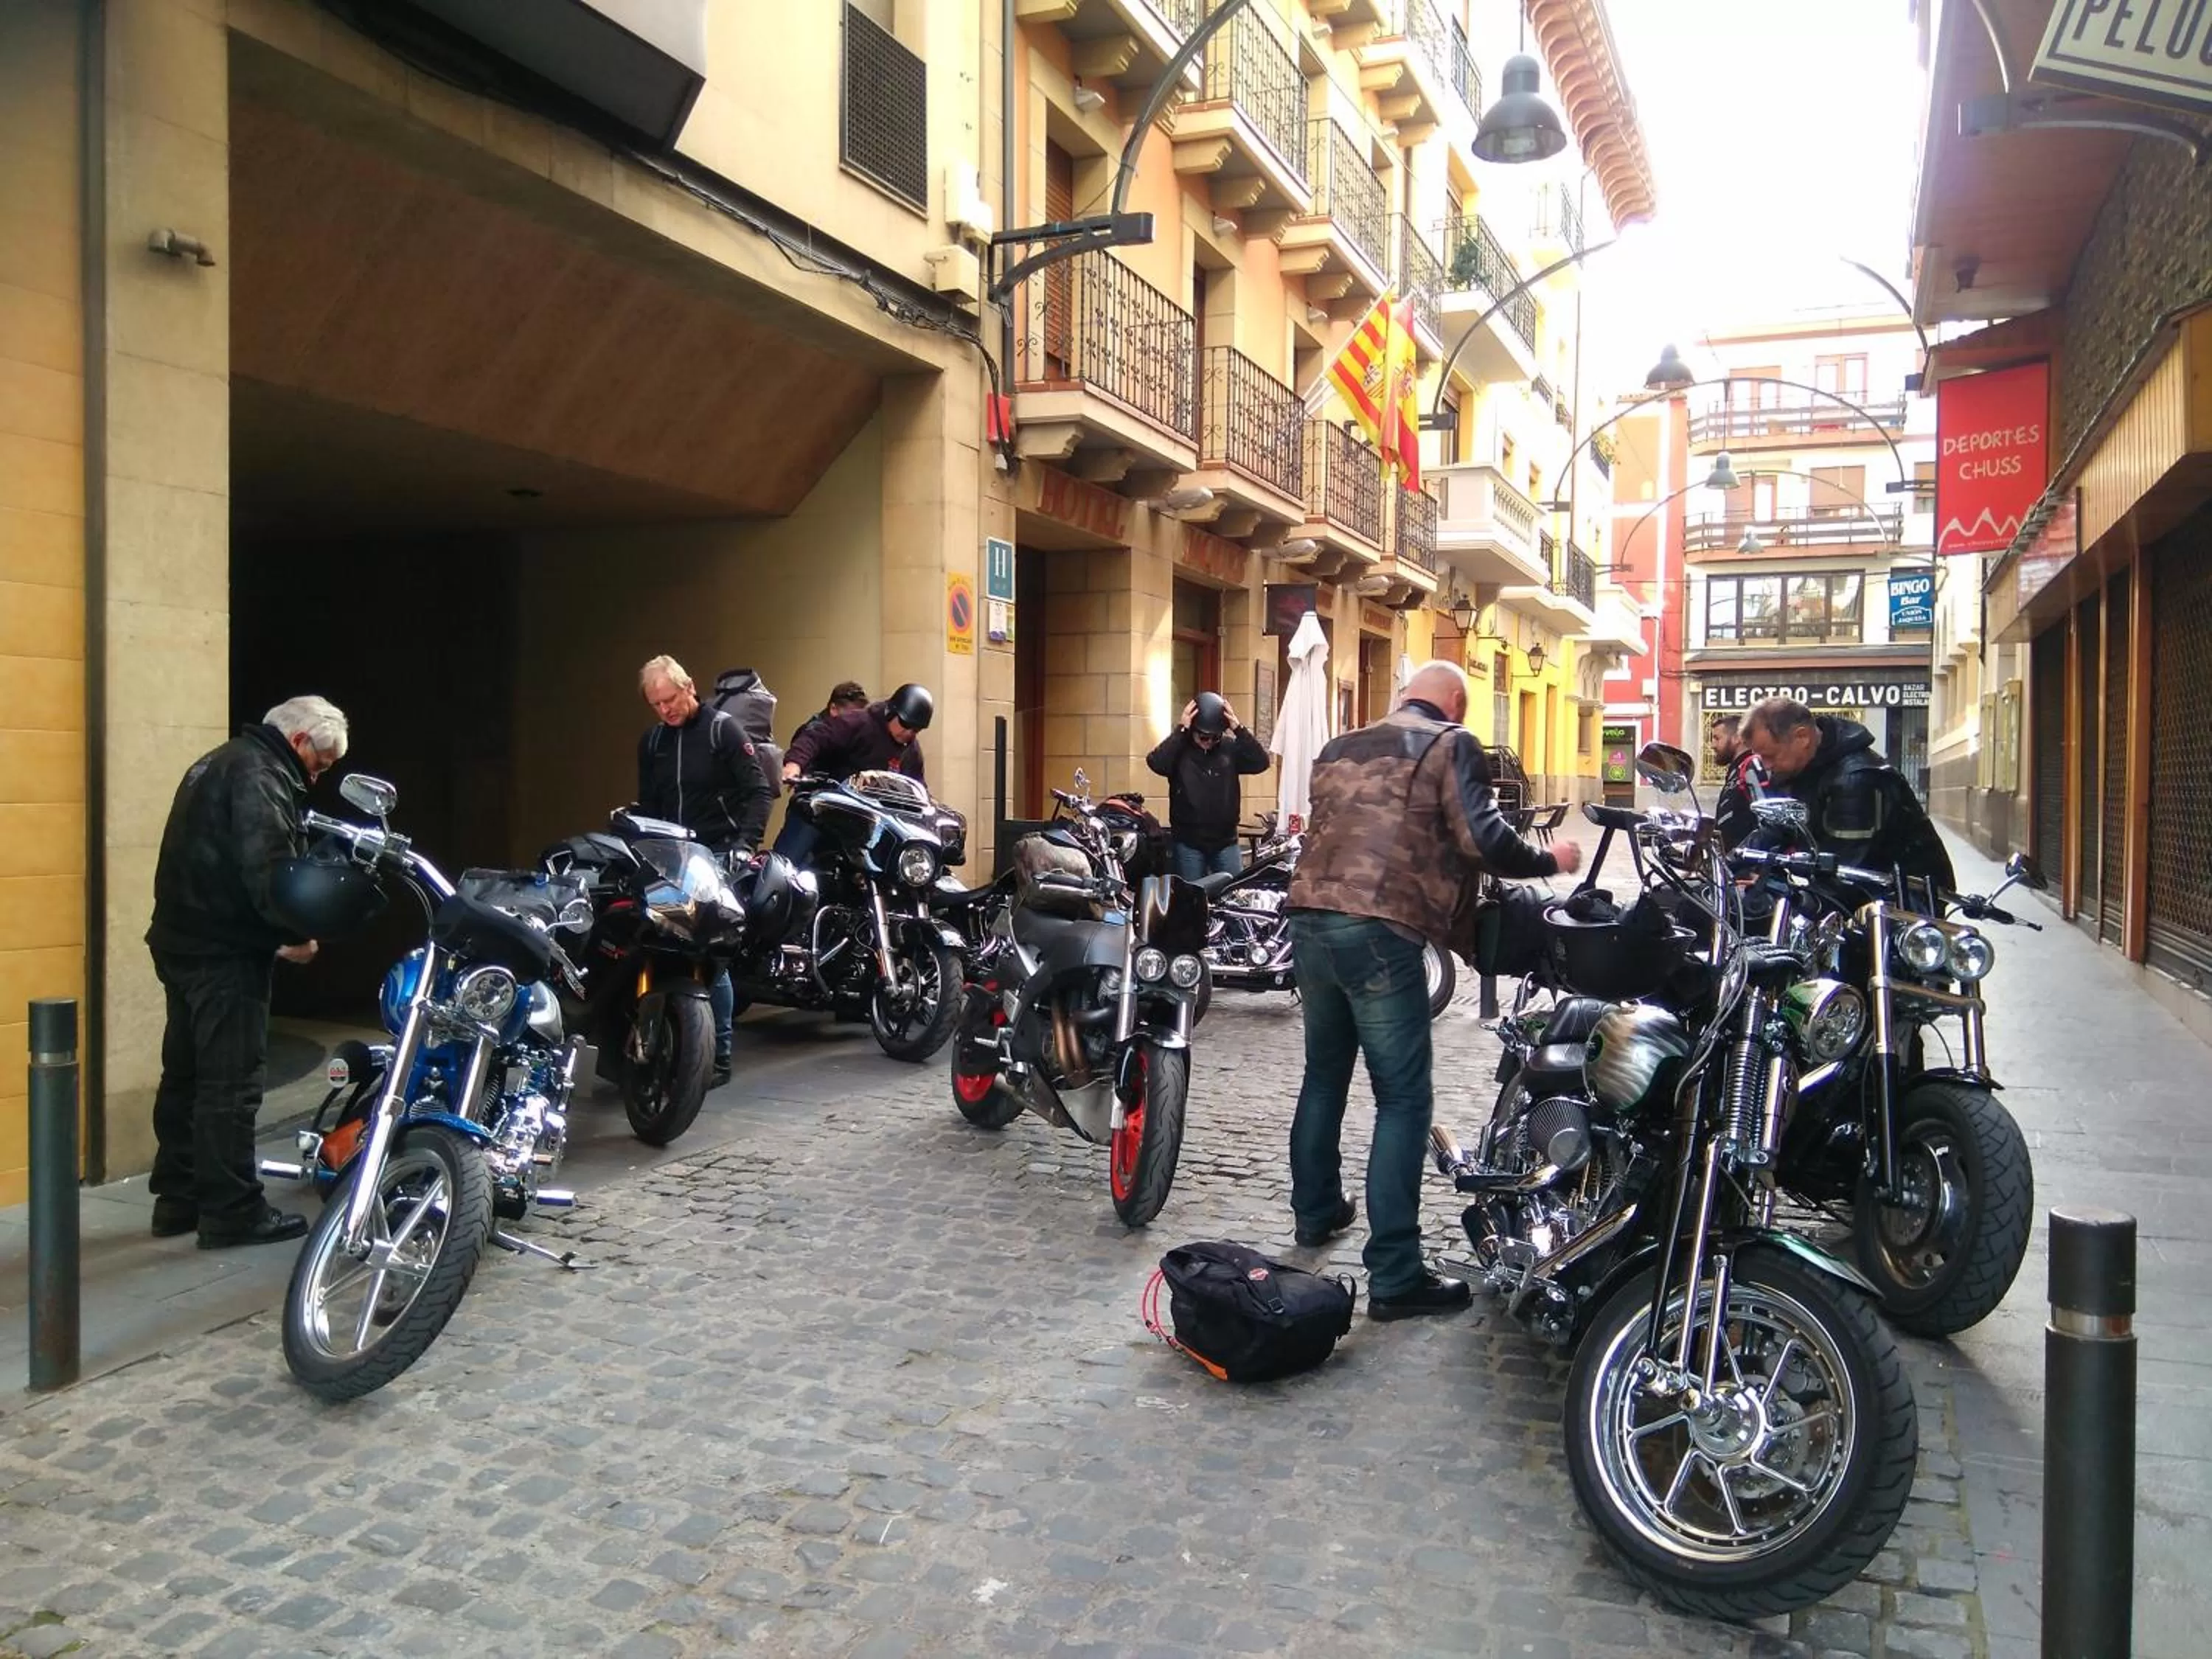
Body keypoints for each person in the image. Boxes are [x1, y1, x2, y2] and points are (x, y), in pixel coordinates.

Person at [1284, 662, 1582, 1320]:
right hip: (1382, 927)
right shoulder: (1451, 743)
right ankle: (1394, 1277)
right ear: (1454, 701)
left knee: (1323, 1076)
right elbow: (1482, 838)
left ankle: (1315, 1215)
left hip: (1308, 918)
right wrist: (1550, 861)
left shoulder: (1339, 745)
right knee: (1402, 1099)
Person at [145, 696, 350, 1248]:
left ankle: (178, 1196)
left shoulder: (220, 759)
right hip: (223, 950)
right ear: (302, 741)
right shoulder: (262, 774)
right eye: (321, 764)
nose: (317, 776)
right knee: (229, 1084)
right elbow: (268, 865)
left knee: (186, 1074)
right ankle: (232, 1209)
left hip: (180, 938)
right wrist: (291, 934)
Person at [637, 655, 774, 1083]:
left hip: (714, 854)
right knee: (649, 940)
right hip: (668, 855)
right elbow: (648, 806)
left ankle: (719, 1056)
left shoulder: (723, 731)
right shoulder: (653, 742)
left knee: (705, 952)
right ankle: (656, 1039)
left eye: (671, 699)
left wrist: (742, 845)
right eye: (656, 704)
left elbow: (758, 792)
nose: (666, 710)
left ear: (690, 687)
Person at [1735, 695, 1955, 890]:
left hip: (1904, 901)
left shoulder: (1855, 779)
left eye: (1770, 755)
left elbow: (1847, 873)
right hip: (1860, 889)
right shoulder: (1804, 767)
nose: (1765, 766)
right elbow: (1780, 825)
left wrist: (1782, 891)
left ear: (1802, 738)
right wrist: (1729, 866)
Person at [776, 683, 933, 865]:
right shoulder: (859, 723)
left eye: (916, 730)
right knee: (787, 864)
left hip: (870, 826)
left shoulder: (911, 751)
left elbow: (918, 786)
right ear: (891, 712)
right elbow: (816, 736)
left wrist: (928, 811)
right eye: (905, 725)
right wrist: (794, 764)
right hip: (825, 810)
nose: (909, 733)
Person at [1146, 692, 1271, 881]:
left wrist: (1238, 729)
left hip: (1226, 841)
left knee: (1233, 894)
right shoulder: (1180, 751)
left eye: (1215, 738)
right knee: (1193, 897)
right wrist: (1180, 730)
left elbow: (1261, 762)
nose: (1209, 743)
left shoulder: (1229, 749)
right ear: (1193, 730)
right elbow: (1157, 763)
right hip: (1189, 842)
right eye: (1203, 737)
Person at [790, 680, 869, 752]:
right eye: (852, 715)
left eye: (860, 715)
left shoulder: (855, 734)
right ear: (834, 709)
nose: (857, 720)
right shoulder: (812, 734)